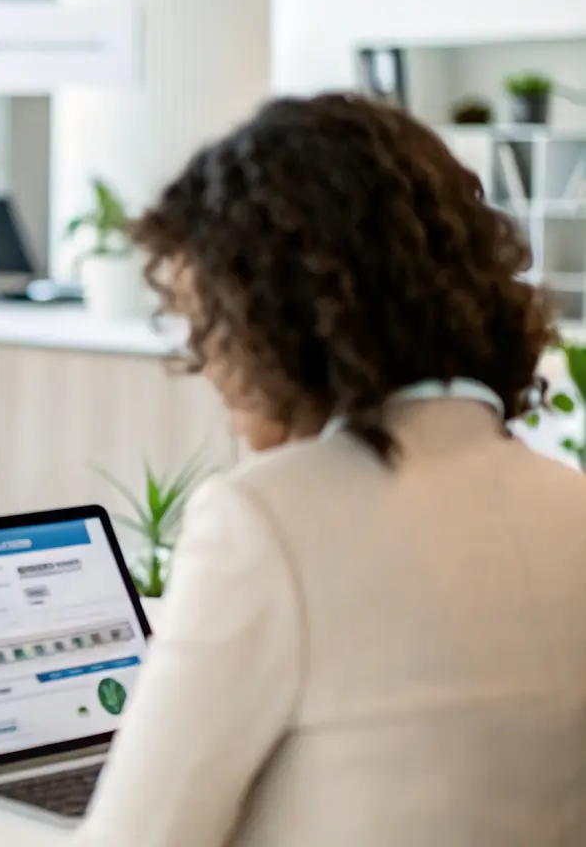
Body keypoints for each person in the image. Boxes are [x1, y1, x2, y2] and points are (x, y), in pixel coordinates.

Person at [76, 93, 586, 846]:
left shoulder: (267, 521)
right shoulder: (567, 505)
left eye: (206, 320)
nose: (205, 365)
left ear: (275, 313)